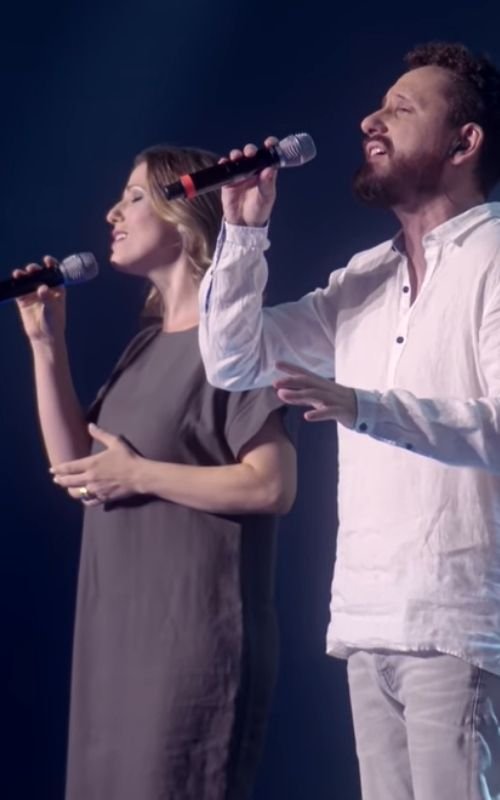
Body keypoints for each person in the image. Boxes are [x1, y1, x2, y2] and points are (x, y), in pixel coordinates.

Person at [198, 41, 500, 800]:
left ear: (465, 142)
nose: (371, 119)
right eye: (378, 106)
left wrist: (363, 406)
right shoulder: (365, 276)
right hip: (368, 617)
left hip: (459, 617)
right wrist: (243, 233)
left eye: (402, 108)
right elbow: (235, 361)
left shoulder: (495, 254)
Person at [15, 144, 296, 800]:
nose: (113, 213)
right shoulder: (144, 346)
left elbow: (271, 485)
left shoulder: (234, 342)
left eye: (135, 197)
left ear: (184, 215)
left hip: (189, 641)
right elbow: (78, 471)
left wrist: (140, 475)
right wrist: (46, 344)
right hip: (115, 637)